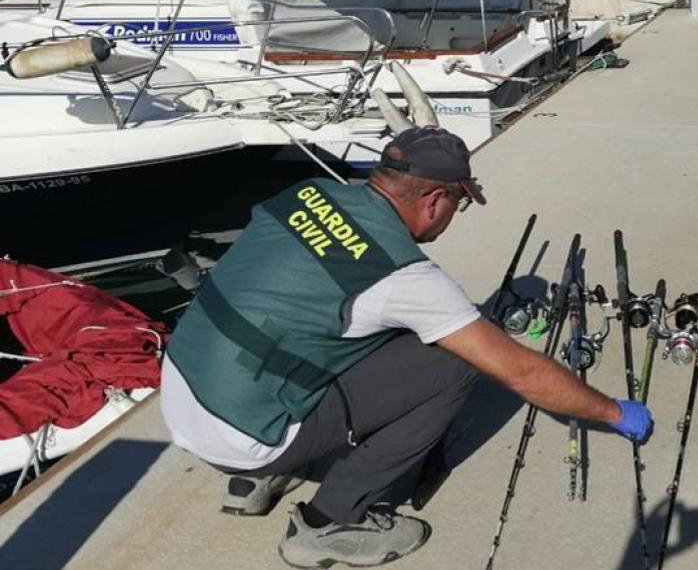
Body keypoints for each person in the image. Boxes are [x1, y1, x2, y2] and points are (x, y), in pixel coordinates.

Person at [160, 126, 653, 569]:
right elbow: (521, 372)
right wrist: (612, 412)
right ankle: (328, 522)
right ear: (435, 199)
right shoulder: (403, 277)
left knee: (340, 324)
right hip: (246, 435)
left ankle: (261, 479)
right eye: (458, 205)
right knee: (451, 361)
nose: (451, 217)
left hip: (184, 390)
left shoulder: (307, 193)